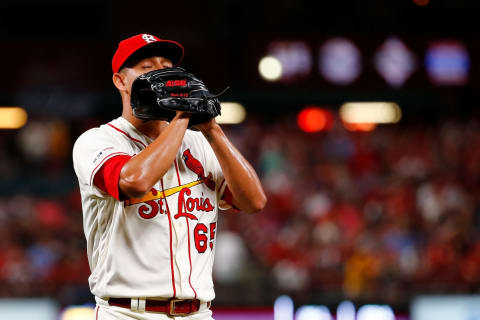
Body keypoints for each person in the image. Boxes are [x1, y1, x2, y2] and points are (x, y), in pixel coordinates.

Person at [72, 33, 267, 320]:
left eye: (165, 66)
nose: (160, 74)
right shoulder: (98, 141)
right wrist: (182, 117)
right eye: (147, 68)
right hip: (127, 312)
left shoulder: (200, 142)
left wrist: (212, 129)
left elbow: (254, 201)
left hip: (198, 313)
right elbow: (134, 182)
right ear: (120, 81)